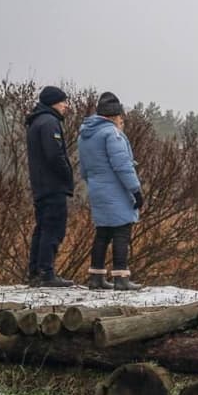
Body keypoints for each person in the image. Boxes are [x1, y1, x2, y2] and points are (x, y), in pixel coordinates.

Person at [77, 92, 143, 291]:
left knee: (103, 232)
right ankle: (121, 278)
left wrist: (95, 184)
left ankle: (96, 277)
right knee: (122, 231)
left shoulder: (85, 135)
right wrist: (136, 190)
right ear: (115, 115)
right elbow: (122, 165)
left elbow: (84, 169)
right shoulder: (112, 134)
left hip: (97, 188)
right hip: (116, 190)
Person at [25, 85, 74, 287]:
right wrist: (66, 175)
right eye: (63, 101)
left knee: (43, 227)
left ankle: (36, 271)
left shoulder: (36, 121)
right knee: (53, 228)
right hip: (52, 185)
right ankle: (46, 271)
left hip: (40, 184)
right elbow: (55, 155)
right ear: (54, 102)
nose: (66, 105)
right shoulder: (49, 122)